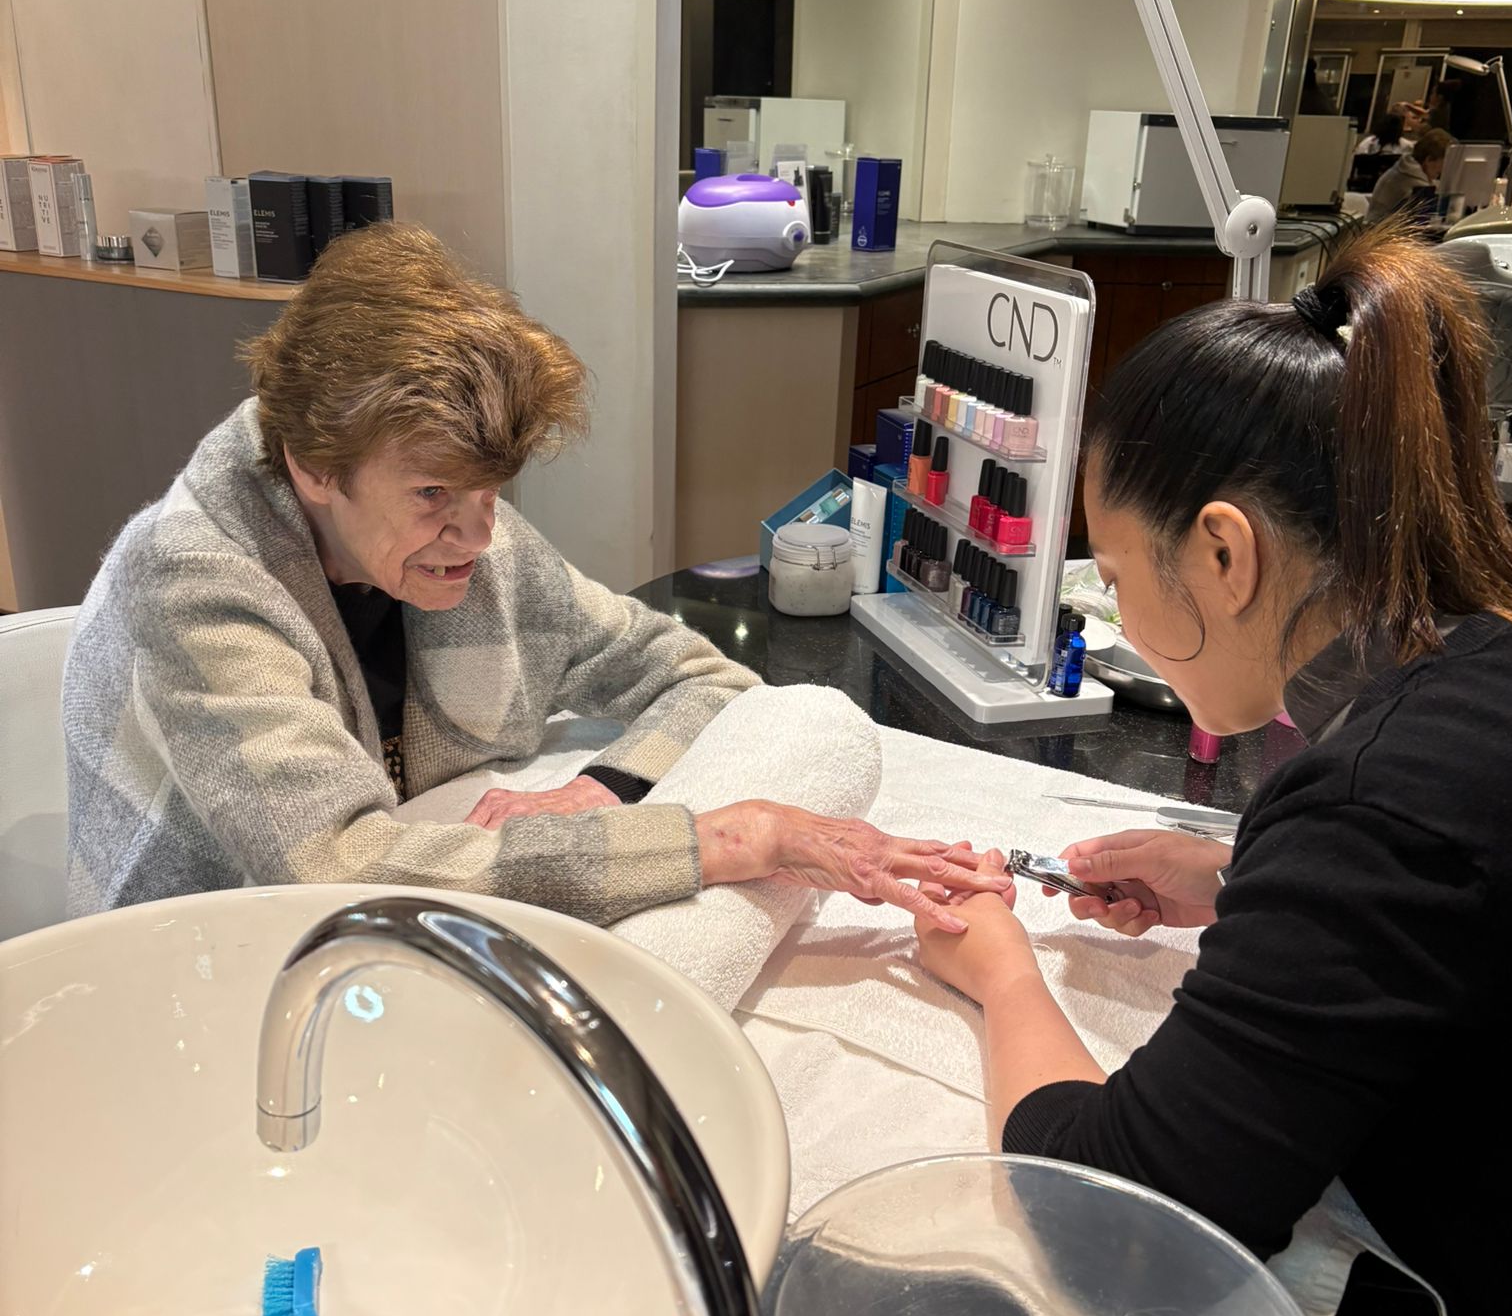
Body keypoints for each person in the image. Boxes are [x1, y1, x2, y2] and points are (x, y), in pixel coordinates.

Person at [913, 226, 1512, 1316]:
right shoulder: (1488, 655)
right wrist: (1243, 880)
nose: (1124, 618)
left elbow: (1126, 1233)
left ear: (1222, 551)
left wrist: (1000, 972)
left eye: (1117, 574)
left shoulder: (1378, 801)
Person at [64, 224, 1002, 932]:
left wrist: (608, 785)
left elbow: (699, 675)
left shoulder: (476, 539)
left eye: (494, 490)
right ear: (313, 464)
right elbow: (339, 867)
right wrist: (725, 839)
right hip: (199, 959)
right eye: (435, 491)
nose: (479, 537)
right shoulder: (193, 580)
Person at [1365, 125, 1449, 224]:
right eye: (1444, 161)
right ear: (1429, 159)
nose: (1444, 168)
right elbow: (1422, 222)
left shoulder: (1404, 169)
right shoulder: (1414, 184)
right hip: (1383, 235)